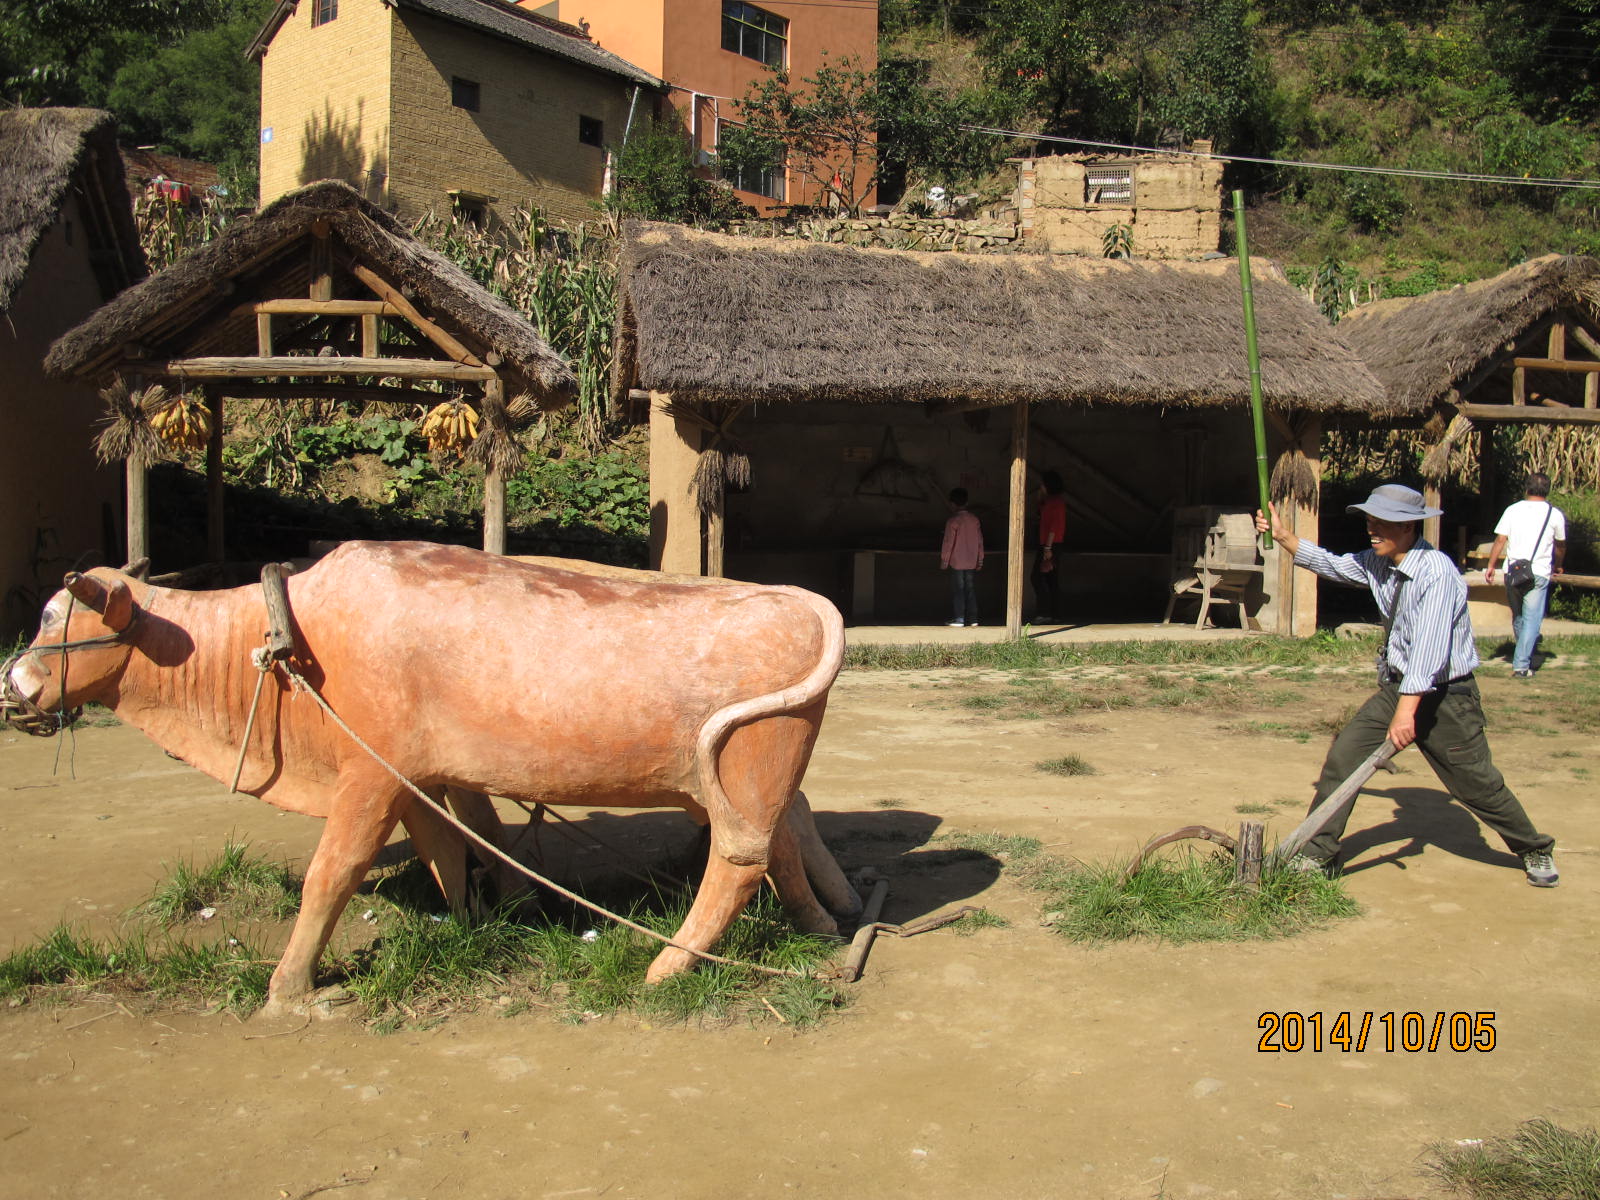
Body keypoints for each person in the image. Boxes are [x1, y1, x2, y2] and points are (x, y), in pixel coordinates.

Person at [1255, 483, 1558, 888]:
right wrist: (1285, 537)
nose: (1372, 530)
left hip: (1447, 697)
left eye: (1383, 523)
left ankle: (1533, 846)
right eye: (1370, 521)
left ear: (1410, 527)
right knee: (1344, 757)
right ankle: (1318, 853)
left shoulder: (1438, 575)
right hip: (1399, 689)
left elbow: (1430, 652)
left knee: (1477, 785)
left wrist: (1406, 713)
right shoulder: (1378, 561)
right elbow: (1335, 565)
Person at [1484, 472, 1566, 678]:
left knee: (1518, 616)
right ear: (1547, 490)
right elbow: (1561, 545)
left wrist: (1491, 564)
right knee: (1532, 619)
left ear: (1526, 489)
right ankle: (1521, 664)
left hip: (1513, 571)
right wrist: (1558, 565)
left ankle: (1522, 653)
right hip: (1539, 572)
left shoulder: (1512, 510)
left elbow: (1501, 540)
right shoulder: (1554, 514)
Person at [940, 487, 985, 627]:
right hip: (971, 561)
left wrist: (944, 560)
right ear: (967, 502)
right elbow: (980, 541)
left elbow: (948, 543)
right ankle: (973, 619)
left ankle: (959, 618)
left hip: (957, 562)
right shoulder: (974, 520)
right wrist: (980, 560)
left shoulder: (953, 522)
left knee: (958, 589)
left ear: (952, 504)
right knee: (970, 589)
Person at [1030, 470, 1067, 623]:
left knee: (1037, 578)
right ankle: (1055, 614)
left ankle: (1044, 613)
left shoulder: (1055, 503)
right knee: (1051, 580)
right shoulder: (1050, 502)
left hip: (1050, 544)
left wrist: (1047, 548)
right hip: (1049, 544)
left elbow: (1053, 527)